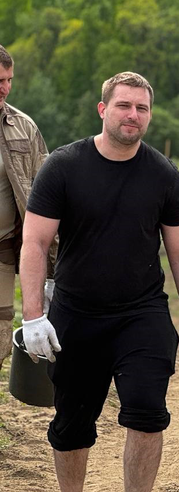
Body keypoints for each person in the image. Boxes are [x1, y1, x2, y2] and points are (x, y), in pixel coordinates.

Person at [18, 71, 179, 492]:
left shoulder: (164, 175)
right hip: (75, 313)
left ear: (150, 116)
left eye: (142, 108)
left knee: (146, 412)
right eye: (124, 105)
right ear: (103, 109)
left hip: (140, 313)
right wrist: (33, 315)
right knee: (72, 424)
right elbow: (33, 242)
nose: (133, 115)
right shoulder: (63, 167)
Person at [0, 44, 57, 371]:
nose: (5, 88)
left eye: (9, 80)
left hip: (4, 249)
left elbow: (48, 198)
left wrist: (51, 271)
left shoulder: (24, 127)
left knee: (1, 336)